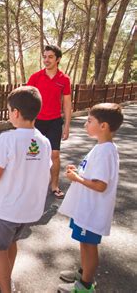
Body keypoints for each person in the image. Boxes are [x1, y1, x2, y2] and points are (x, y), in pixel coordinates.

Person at [0, 86, 52, 293]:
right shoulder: (44, 141)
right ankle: (4, 278)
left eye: (8, 111)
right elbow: (45, 172)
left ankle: (5, 288)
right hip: (28, 210)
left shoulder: (8, 138)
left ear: (15, 113)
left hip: (6, 208)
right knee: (12, 243)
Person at [57, 103, 123, 293]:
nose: (85, 124)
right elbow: (95, 176)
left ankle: (85, 285)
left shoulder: (105, 151)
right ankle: (83, 273)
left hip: (93, 210)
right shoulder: (102, 147)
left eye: (89, 121)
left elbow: (101, 185)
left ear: (103, 126)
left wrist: (76, 178)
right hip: (86, 208)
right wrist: (78, 172)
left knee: (89, 245)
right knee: (84, 243)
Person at [27, 44, 72, 199]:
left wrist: (66, 126)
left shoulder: (64, 79)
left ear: (58, 59)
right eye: (44, 56)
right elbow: (27, 100)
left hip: (54, 121)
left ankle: (54, 186)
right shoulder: (35, 77)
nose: (46, 60)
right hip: (36, 122)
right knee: (33, 154)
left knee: (55, 154)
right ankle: (32, 186)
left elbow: (67, 103)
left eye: (50, 57)